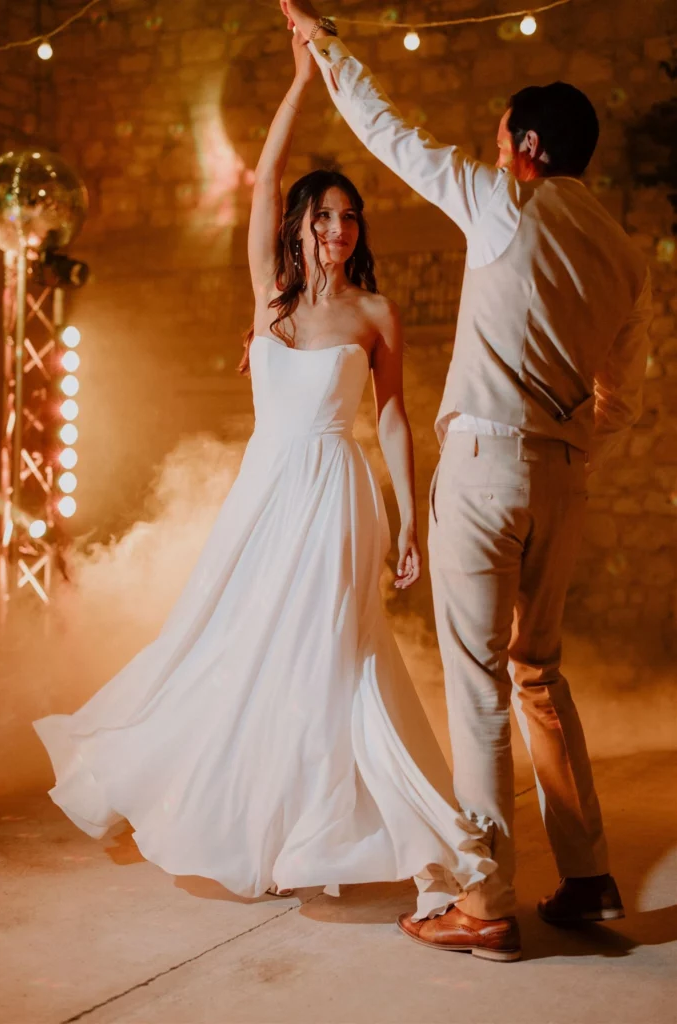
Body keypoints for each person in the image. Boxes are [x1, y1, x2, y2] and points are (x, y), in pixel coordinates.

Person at [33, 27, 507, 954]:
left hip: (336, 493)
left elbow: (400, 418)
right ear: (299, 225)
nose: (339, 229)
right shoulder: (271, 303)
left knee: (339, 657)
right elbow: (261, 177)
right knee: (229, 643)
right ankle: (203, 794)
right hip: (262, 496)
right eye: (324, 216)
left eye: (350, 218)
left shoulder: (375, 313)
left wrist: (411, 518)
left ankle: (420, 850)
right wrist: (301, 79)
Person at [281, 0, 652, 961]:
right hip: (563, 477)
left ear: (524, 146)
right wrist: (567, 449)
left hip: (487, 466)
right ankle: (588, 873)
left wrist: (326, 47)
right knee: (541, 668)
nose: (493, 153)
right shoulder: (625, 254)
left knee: (479, 678)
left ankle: (485, 899)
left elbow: (384, 129)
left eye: (499, 140)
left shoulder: (503, 201)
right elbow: (622, 397)